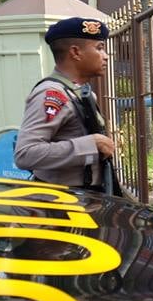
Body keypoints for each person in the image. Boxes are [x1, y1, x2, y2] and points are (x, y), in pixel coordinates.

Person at [15, 17, 117, 192]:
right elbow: (25, 154)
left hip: (84, 198)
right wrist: (91, 145)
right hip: (62, 203)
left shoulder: (79, 92)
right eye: (99, 48)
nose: (106, 55)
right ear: (75, 52)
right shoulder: (52, 94)